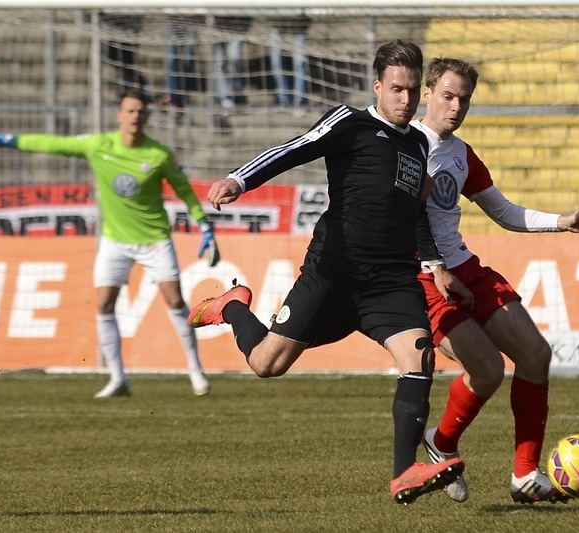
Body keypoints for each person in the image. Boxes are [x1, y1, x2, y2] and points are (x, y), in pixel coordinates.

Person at [188, 40, 474, 505]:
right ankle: (231, 307)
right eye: (396, 89)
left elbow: (414, 209)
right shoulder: (351, 122)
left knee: (419, 355)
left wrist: (434, 263)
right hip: (334, 272)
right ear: (378, 86)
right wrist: (240, 179)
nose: (405, 100)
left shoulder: (418, 143)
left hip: (391, 279)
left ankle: (405, 473)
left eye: (412, 91)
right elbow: (294, 149)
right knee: (267, 364)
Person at [409, 58, 579, 504]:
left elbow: (502, 211)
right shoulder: (402, 146)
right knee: (488, 370)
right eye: (447, 95)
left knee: (535, 354)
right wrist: (432, 264)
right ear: (427, 93)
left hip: (463, 266)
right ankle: (441, 442)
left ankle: (525, 475)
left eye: (464, 98)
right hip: (420, 275)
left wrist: (565, 220)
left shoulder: (461, 154)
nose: (456, 106)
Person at [0, 90, 221, 399]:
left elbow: (183, 190)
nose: (135, 116)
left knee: (175, 302)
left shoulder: (159, 154)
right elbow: (54, 145)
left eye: (141, 112)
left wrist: (204, 224)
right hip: (115, 241)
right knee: (103, 304)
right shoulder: (99, 145)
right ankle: (118, 379)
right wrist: (7, 140)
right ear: (119, 115)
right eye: (130, 111)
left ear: (147, 117)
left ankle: (196, 370)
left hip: (154, 240)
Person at [267, 16, 311, 106]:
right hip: (277, 23)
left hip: (299, 24)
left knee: (300, 63)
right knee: (277, 63)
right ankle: (283, 99)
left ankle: (300, 100)